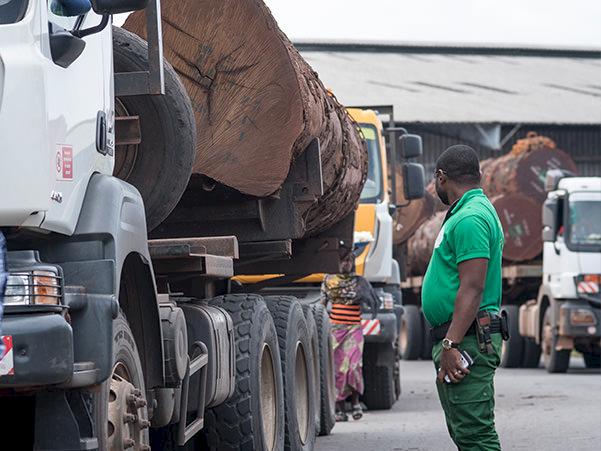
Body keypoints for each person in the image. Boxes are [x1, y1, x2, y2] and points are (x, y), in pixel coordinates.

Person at [422, 145, 505, 450]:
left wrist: (450, 344)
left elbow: (473, 287)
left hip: (466, 340)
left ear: (441, 177)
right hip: (462, 338)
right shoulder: (466, 213)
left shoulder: (470, 218)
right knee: (465, 432)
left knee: (475, 436)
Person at [321, 252, 379, 422]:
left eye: (348, 261)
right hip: (335, 330)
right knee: (338, 369)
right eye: (342, 260)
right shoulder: (328, 281)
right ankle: (339, 409)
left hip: (354, 330)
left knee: (354, 367)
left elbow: (372, 302)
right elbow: (322, 306)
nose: (345, 264)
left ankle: (355, 404)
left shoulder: (360, 282)